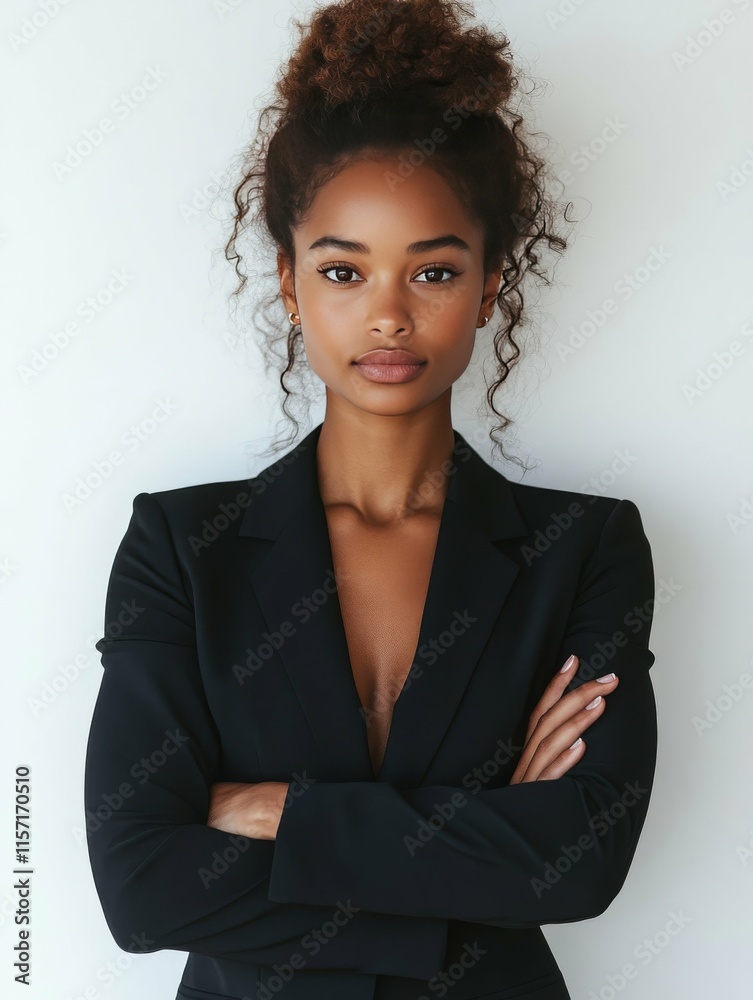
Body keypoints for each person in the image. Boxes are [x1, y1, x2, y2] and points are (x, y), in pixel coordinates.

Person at [84, 2, 658, 998]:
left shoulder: (585, 547)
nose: (389, 312)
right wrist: (471, 863)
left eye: (433, 269)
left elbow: (579, 861)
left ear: (488, 286)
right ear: (291, 282)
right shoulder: (182, 546)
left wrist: (280, 813)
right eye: (344, 269)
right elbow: (140, 884)